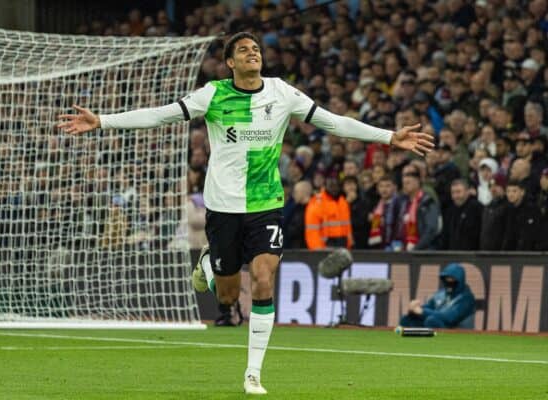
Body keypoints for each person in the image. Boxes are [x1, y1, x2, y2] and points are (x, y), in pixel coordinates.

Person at [57, 32, 434, 395]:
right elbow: (162, 115)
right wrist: (103, 120)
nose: (253, 53)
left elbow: (333, 122)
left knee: (264, 279)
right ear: (229, 62)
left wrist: (388, 136)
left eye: (255, 48)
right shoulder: (214, 94)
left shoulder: (281, 92)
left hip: (265, 204)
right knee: (227, 295)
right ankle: (210, 265)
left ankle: (253, 373)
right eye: (244, 50)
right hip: (223, 207)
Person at [399, 263, 475, 329]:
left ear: (460, 280)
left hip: (458, 331)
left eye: (452, 279)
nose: (448, 282)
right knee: (407, 319)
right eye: (446, 279)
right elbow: (429, 307)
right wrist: (414, 309)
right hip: (440, 324)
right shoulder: (441, 294)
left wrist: (422, 311)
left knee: (432, 321)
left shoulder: (466, 298)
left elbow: (449, 318)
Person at [305, 176, 353, 250]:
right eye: (331, 185)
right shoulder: (316, 203)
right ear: (324, 186)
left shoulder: (343, 202)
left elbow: (347, 227)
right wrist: (317, 250)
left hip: (343, 247)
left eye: (336, 185)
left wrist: (349, 244)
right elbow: (312, 230)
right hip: (324, 248)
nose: (334, 188)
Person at [397, 171, 441, 251]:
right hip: (405, 249)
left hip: (424, 251)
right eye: (403, 183)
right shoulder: (403, 203)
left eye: (408, 183)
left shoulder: (427, 202)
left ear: (417, 183)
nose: (404, 186)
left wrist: (416, 248)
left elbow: (431, 229)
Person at [442, 179, 483, 250]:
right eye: (453, 193)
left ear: (467, 192)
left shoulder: (477, 208)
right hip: (452, 256)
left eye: (458, 192)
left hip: (472, 256)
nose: (455, 196)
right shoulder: (450, 211)